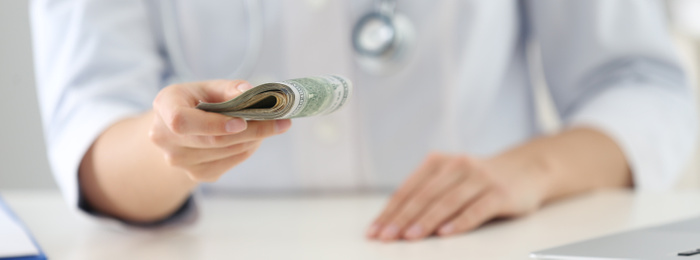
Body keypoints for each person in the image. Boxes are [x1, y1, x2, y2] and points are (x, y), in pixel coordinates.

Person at [30, 0, 696, 242]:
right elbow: (91, 135)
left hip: (472, 243)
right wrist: (177, 145)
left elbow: (642, 85)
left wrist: (531, 169)